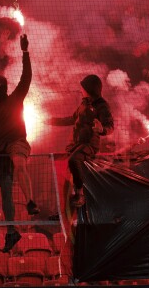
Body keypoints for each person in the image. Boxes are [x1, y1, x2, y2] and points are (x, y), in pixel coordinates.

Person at [0, 34, 39, 252]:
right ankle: (11, 231)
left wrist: (25, 53)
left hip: (17, 143)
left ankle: (31, 201)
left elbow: (26, 77)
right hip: (1, 152)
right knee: (5, 192)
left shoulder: (15, 98)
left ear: (3, 87)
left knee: (19, 162)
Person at [46, 75, 114, 207]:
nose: (80, 90)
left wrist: (101, 130)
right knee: (67, 167)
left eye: (83, 87)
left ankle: (80, 193)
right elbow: (72, 119)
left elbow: (110, 126)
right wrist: (52, 121)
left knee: (74, 160)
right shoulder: (83, 104)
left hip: (89, 145)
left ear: (90, 89)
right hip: (76, 144)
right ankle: (63, 207)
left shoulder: (102, 106)